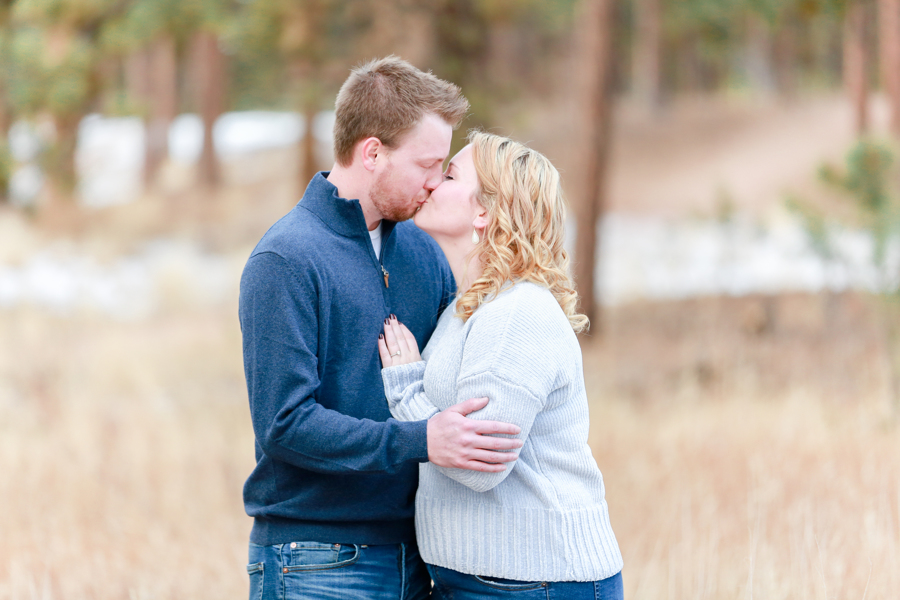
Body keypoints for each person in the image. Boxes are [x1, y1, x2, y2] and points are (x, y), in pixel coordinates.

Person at [239, 57, 525, 600]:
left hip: (417, 557)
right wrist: (422, 438)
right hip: (316, 561)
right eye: (428, 164)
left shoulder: (422, 253)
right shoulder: (286, 259)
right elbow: (284, 423)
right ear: (372, 153)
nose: (438, 181)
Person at [378, 131, 625, 600]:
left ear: (484, 211)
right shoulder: (466, 308)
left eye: (449, 175)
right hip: (482, 579)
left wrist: (407, 390)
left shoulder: (516, 312)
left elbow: (479, 465)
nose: (431, 182)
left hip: (537, 581)